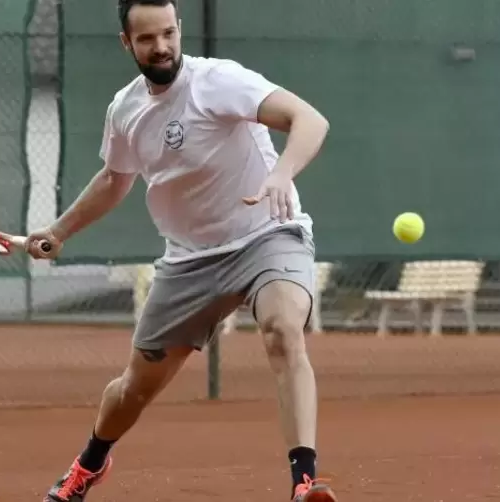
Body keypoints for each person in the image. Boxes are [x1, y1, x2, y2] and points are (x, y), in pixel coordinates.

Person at [26, 1, 334, 501]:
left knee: (282, 329)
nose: (162, 46)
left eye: (169, 33)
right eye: (147, 38)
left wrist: (282, 173)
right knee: (135, 387)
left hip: (267, 236)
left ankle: (304, 482)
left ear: (179, 29)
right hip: (190, 261)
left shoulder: (220, 81)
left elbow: (310, 120)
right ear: (127, 43)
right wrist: (60, 232)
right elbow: (113, 179)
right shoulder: (125, 110)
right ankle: (89, 465)